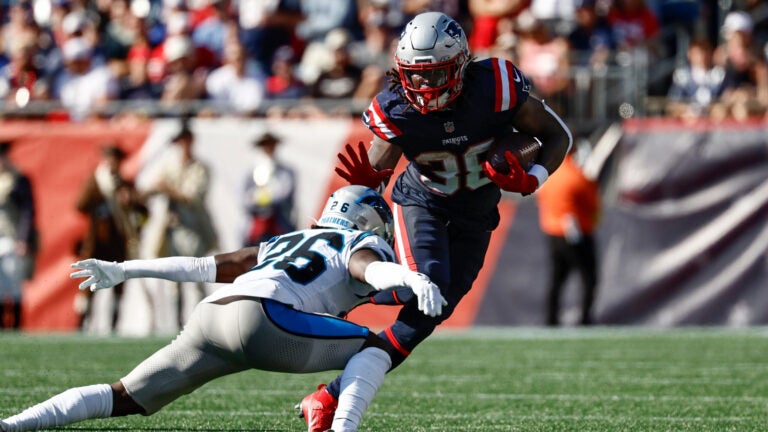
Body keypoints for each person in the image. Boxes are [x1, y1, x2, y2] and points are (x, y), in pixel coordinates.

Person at [297, 11, 572, 432]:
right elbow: (376, 178)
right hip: (423, 202)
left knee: (430, 311)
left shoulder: (494, 87)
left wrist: (531, 177)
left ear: (461, 64)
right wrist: (366, 188)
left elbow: (558, 136)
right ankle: (360, 290)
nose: (423, 86)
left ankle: (330, 394)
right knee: (431, 284)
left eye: (435, 74)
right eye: (415, 75)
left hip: (478, 212)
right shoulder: (396, 108)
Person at [0, 185, 446, 432]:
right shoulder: (358, 241)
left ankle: (16, 424)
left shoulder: (286, 240)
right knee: (374, 349)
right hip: (267, 321)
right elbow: (368, 269)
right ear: (369, 222)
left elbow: (203, 265)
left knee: (124, 397)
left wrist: (125, 269)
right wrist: (409, 276)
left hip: (213, 315)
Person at [141, 122, 218, 329]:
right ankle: (178, 324)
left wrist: (166, 189)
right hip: (171, 228)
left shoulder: (200, 168)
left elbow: (192, 197)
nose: (182, 145)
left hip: (192, 228)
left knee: (198, 277)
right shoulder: (169, 166)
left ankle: (202, 323)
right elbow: (151, 188)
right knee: (173, 280)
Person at [73, 144, 148, 332]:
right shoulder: (96, 182)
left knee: (117, 288)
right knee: (89, 287)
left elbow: (144, 215)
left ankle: (113, 326)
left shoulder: (126, 186)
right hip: (97, 244)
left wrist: (131, 203)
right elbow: (80, 205)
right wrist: (93, 187)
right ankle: (83, 325)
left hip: (117, 244)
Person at [535, 145, 600, 326]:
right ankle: (585, 320)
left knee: (557, 280)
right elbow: (594, 204)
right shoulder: (577, 175)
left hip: (553, 233)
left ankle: (551, 321)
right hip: (577, 233)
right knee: (588, 279)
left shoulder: (549, 176)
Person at [0, 141, 37, 330]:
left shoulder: (18, 180)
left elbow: (27, 212)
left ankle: (15, 325)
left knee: (13, 286)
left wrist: (23, 239)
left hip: (11, 239)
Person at [243, 131, 296, 246]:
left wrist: (269, 197)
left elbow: (285, 193)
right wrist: (256, 199)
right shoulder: (251, 171)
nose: (268, 148)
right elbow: (243, 196)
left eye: (271, 144)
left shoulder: (286, 171)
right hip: (256, 222)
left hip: (279, 221)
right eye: (265, 145)